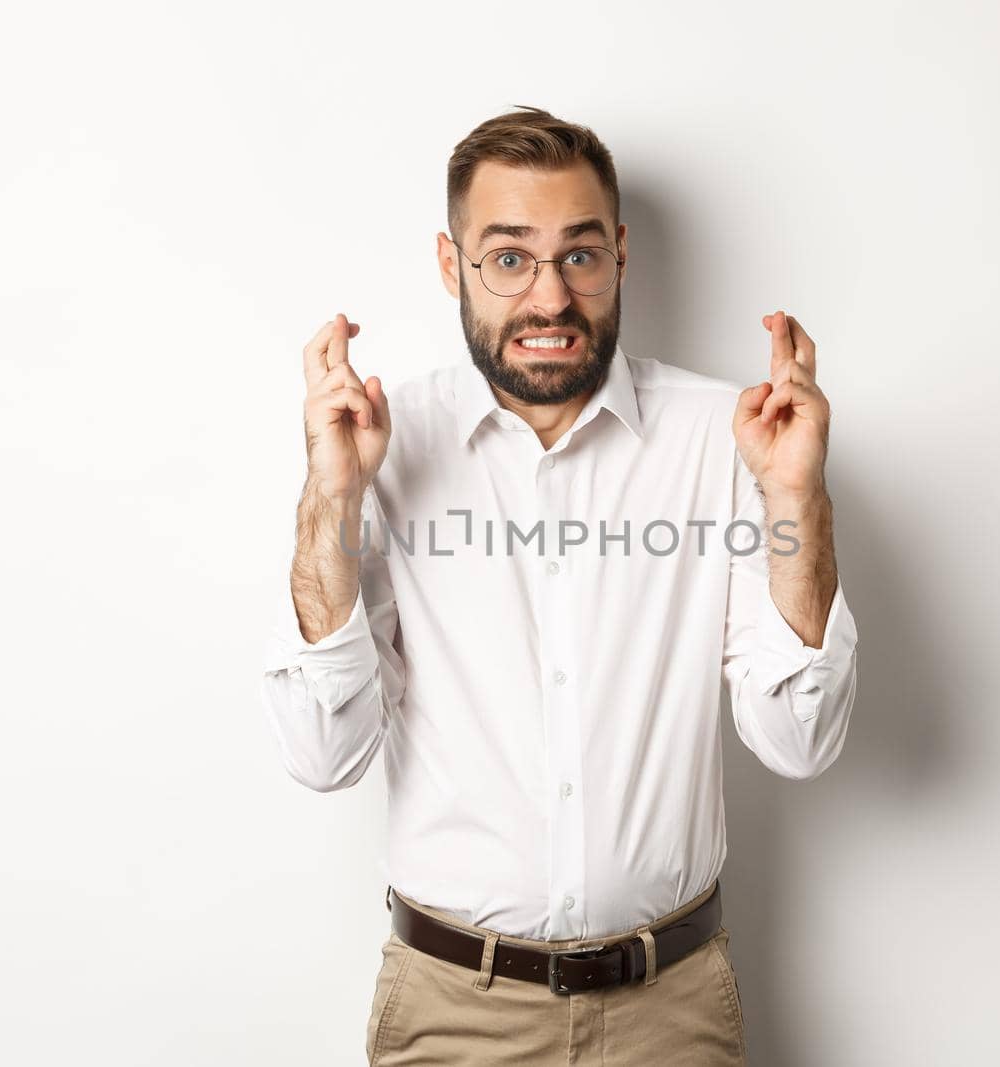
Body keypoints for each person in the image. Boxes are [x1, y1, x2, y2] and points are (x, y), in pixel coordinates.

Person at [261, 106, 859, 1066]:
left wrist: (798, 496)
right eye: (508, 258)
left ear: (619, 256)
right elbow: (323, 752)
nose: (549, 297)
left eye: (578, 255)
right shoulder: (380, 444)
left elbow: (798, 740)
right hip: (452, 1012)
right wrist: (332, 498)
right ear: (454, 266)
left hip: (674, 1009)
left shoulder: (729, 436)